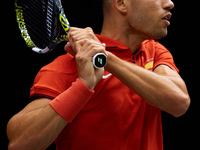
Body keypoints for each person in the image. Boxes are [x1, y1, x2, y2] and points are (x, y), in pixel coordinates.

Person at [7, 0, 190, 149]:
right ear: (121, 3)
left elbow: (179, 102)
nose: (170, 3)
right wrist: (83, 86)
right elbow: (19, 143)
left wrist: (105, 58)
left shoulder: (154, 52)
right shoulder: (67, 66)